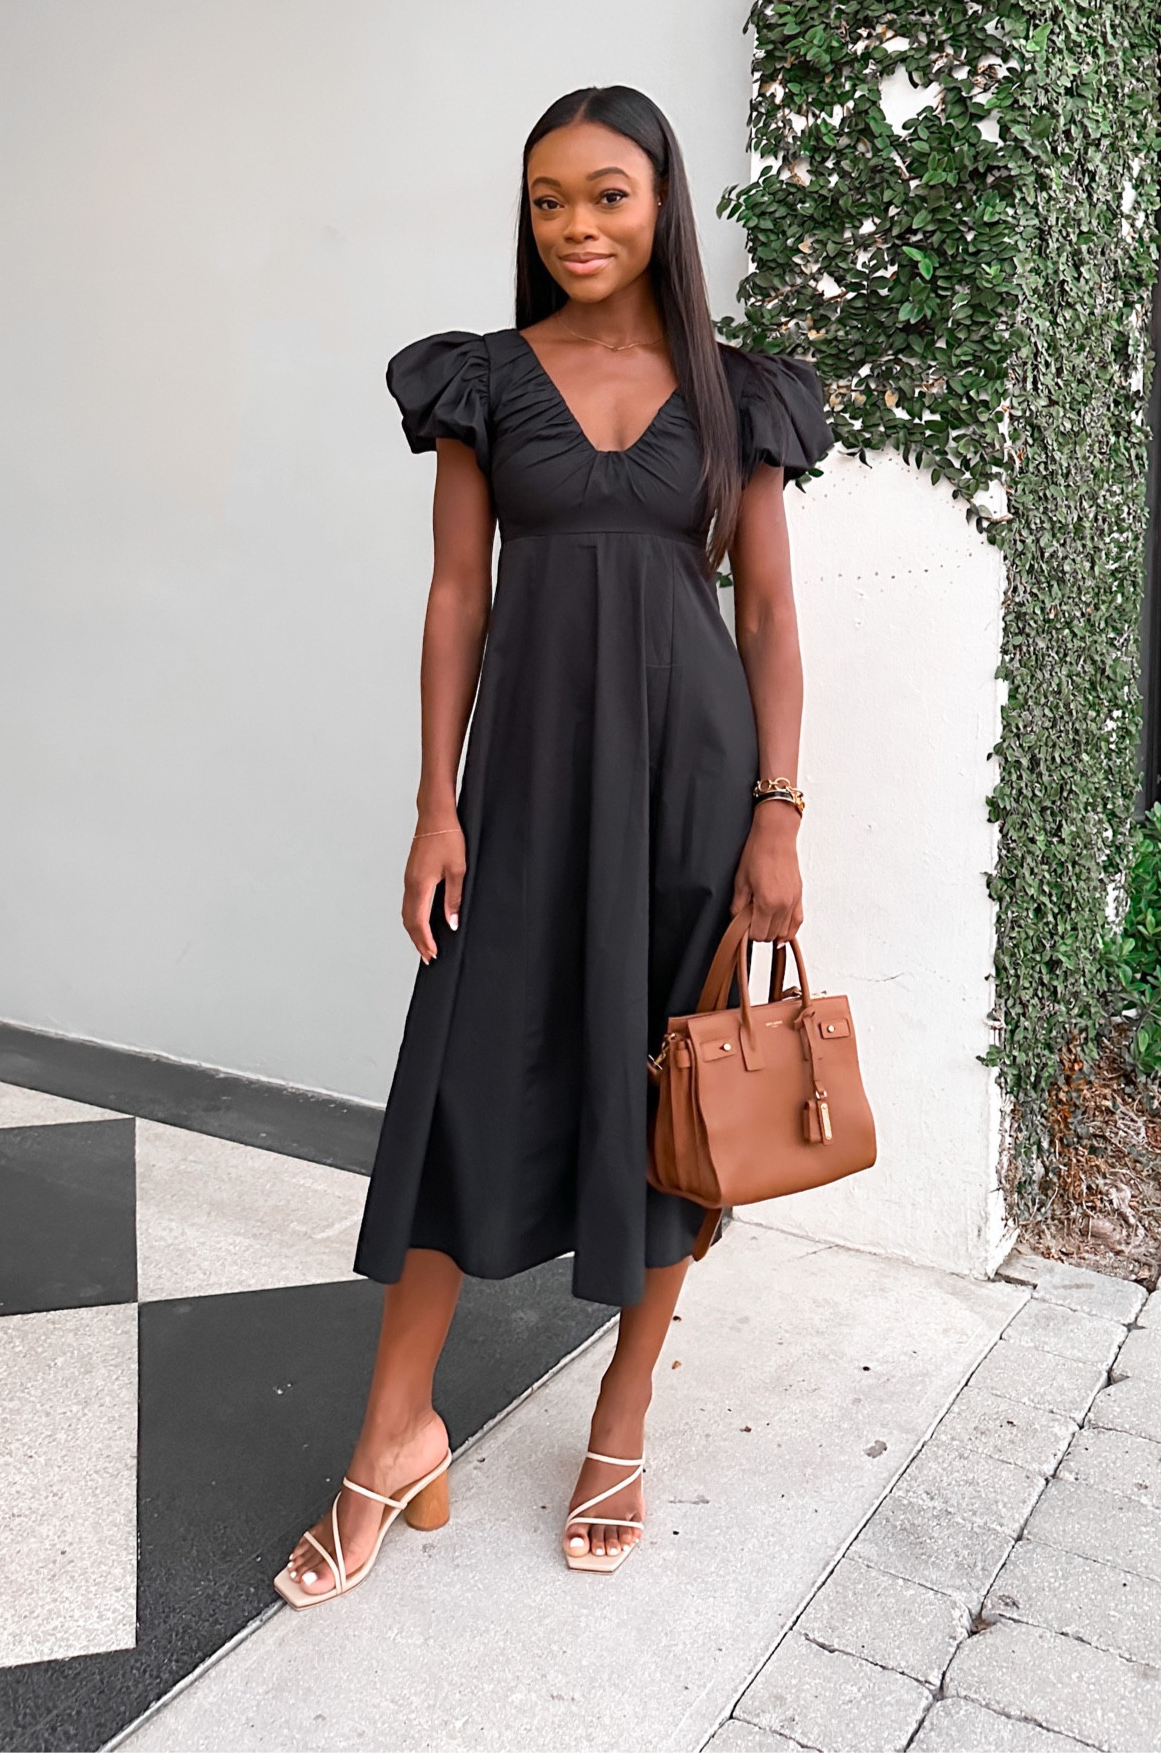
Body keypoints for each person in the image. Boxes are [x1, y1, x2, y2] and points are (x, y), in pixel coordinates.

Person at [277, 84, 830, 1604]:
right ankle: (395, 1429)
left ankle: (622, 1414)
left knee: (672, 1108)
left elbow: (769, 612)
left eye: (606, 194)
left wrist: (777, 814)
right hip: (518, 786)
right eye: (546, 201)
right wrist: (433, 802)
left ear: (662, 205)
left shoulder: (737, 394)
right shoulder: (482, 383)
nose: (576, 226)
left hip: (691, 792)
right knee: (460, 1087)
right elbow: (458, 597)